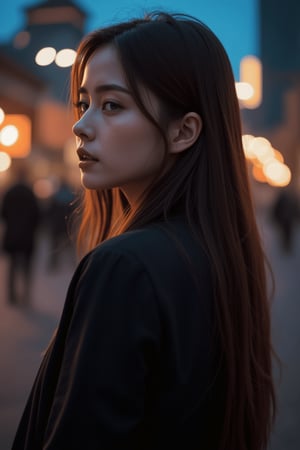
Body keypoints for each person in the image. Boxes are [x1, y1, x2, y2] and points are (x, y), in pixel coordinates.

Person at [12, 11, 276, 450]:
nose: (81, 125)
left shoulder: (125, 266)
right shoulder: (217, 253)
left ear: (183, 130)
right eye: (84, 103)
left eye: (112, 105)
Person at [1, 162, 40, 306]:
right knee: (27, 267)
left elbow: (3, 213)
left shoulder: (9, 192)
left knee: (12, 266)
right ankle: (26, 295)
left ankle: (11, 295)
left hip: (12, 234)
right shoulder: (30, 193)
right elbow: (37, 215)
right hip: (27, 235)